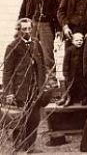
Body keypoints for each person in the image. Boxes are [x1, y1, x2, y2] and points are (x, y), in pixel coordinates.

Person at [3, 18, 47, 153]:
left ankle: (30, 146)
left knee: (34, 119)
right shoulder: (13, 47)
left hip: (35, 89)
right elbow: (7, 71)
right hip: (20, 89)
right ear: (19, 31)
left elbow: (42, 66)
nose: (27, 32)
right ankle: (18, 146)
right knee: (20, 119)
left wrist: (42, 84)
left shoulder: (36, 43)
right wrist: (9, 92)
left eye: (29, 29)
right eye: (24, 29)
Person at [18, 0, 60, 72]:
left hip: (46, 27)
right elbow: (22, 14)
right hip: (31, 27)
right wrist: (19, 29)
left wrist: (58, 30)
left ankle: (50, 81)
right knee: (31, 51)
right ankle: (32, 80)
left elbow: (57, 15)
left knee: (47, 54)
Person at [59, 32, 87, 106]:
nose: (79, 42)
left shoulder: (84, 50)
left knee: (82, 85)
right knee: (70, 86)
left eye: (81, 40)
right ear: (72, 41)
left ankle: (83, 98)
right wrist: (65, 73)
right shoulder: (69, 50)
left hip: (81, 72)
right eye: (77, 40)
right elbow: (66, 62)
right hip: (72, 73)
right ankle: (69, 98)